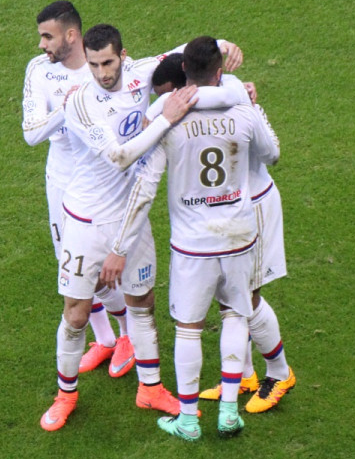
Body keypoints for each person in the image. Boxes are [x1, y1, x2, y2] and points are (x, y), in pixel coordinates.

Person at [40, 24, 245, 431]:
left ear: (124, 56)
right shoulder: (79, 103)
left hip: (132, 220)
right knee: (77, 315)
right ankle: (66, 394)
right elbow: (118, 156)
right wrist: (165, 119)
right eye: (95, 63)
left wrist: (225, 46)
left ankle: (149, 388)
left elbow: (182, 53)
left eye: (109, 62)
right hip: (86, 221)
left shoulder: (139, 74)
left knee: (142, 303)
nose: (102, 73)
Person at [101, 36, 284, 441]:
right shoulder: (242, 109)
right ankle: (230, 413)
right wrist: (253, 105)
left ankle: (187, 419)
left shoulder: (171, 120)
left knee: (189, 329)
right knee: (236, 315)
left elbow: (144, 188)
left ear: (184, 72)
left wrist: (119, 247)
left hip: (192, 244)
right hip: (238, 233)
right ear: (220, 73)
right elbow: (272, 154)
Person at [149, 53, 296, 414]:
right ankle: (242, 374)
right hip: (225, 212)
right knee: (229, 296)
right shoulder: (220, 95)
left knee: (247, 297)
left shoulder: (232, 97)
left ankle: (279, 373)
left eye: (172, 94)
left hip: (252, 205)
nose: (172, 103)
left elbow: (272, 152)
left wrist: (248, 101)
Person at [22, 1, 133, 378]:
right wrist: (70, 109)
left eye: (47, 36)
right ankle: (103, 339)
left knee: (105, 272)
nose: (41, 45)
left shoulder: (102, 67)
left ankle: (128, 337)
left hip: (101, 186)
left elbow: (162, 72)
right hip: (60, 182)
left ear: (71, 36)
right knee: (72, 272)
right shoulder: (39, 71)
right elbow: (32, 133)